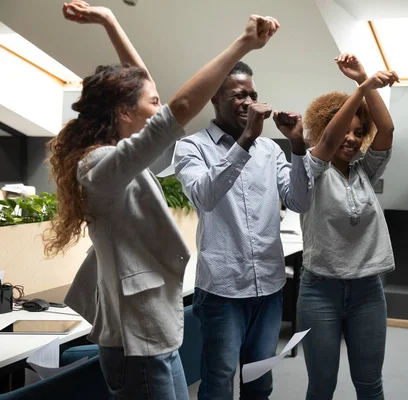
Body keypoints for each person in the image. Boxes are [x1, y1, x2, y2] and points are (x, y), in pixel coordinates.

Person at [44, 2, 280, 399]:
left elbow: (145, 86)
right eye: (151, 103)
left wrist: (110, 21)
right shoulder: (101, 166)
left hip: (153, 329)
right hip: (136, 338)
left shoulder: (117, 156)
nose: (159, 108)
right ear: (123, 112)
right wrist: (242, 44)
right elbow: (180, 109)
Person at [173, 59, 312, 398]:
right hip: (222, 290)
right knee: (219, 380)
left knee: (260, 380)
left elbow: (300, 201)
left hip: (269, 287)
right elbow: (205, 196)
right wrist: (247, 138)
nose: (249, 103)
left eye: (253, 94)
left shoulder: (269, 149)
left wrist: (296, 146)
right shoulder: (191, 147)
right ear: (214, 99)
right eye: (239, 95)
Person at [297, 53, 398, 400]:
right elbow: (327, 140)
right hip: (319, 291)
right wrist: (364, 88)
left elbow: (386, 129)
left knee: (370, 383)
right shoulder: (312, 170)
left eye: (359, 132)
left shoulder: (364, 171)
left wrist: (363, 80)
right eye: (345, 130)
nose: (352, 139)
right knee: (322, 385)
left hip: (368, 291)